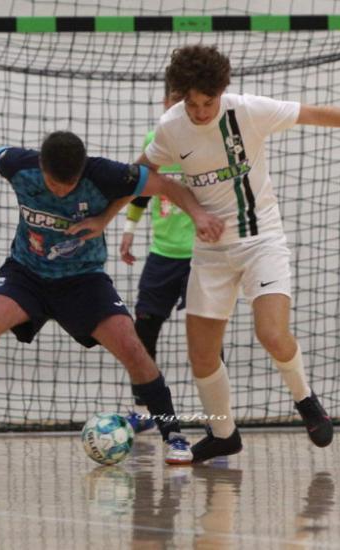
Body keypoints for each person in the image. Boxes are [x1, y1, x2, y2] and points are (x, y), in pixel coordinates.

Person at [139, 44, 340, 463]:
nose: (200, 112)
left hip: (262, 241)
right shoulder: (170, 127)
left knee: (271, 333)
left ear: (222, 91)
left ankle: (306, 399)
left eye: (208, 102)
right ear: (180, 96)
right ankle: (223, 434)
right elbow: (143, 173)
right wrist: (117, 217)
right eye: (192, 103)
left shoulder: (248, 111)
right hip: (210, 253)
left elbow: (318, 114)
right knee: (201, 355)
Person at [0, 131, 223, 465]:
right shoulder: (21, 165)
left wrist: (198, 215)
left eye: (69, 185)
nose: (61, 191)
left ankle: (173, 434)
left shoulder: (105, 174)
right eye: (54, 184)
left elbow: (166, 185)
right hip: (26, 274)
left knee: (132, 347)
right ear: (42, 167)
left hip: (84, 280)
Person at [119, 85, 195, 435]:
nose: (179, 106)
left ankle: (218, 419)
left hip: (202, 255)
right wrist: (129, 229)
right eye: (174, 99)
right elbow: (141, 188)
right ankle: (143, 409)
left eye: (185, 100)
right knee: (144, 328)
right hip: (163, 254)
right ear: (165, 102)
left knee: (205, 336)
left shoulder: (205, 141)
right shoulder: (156, 140)